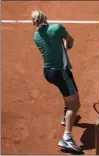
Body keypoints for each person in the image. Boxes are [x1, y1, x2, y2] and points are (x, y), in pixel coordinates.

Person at [31, 10, 83, 152]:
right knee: (75, 104)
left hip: (49, 73)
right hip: (60, 73)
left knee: (68, 93)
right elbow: (70, 40)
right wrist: (68, 46)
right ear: (45, 18)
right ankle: (67, 138)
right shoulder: (56, 28)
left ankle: (66, 118)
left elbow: (52, 45)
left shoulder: (36, 36)